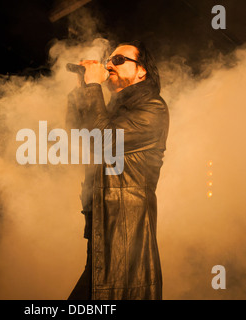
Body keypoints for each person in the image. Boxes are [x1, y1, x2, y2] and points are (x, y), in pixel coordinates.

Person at [66, 41, 169, 300]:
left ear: (141, 71)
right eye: (109, 60)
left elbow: (104, 141)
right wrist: (84, 86)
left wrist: (93, 87)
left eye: (120, 60)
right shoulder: (113, 108)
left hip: (124, 232)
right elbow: (77, 131)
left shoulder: (153, 107)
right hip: (103, 227)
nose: (109, 64)